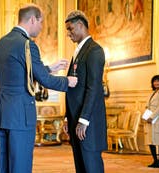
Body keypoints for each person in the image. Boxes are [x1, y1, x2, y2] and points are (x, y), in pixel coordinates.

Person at [0, 4, 77, 173]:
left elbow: (20, 73)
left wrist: (49, 68)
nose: (41, 27)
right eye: (41, 22)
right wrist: (67, 81)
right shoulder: (27, 44)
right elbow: (45, 80)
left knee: (4, 164)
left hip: (3, 112)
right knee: (20, 165)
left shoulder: (2, 43)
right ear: (33, 19)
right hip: (21, 115)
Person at [63, 10, 107, 173]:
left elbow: (94, 88)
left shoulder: (94, 50)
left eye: (70, 29)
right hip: (77, 119)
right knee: (81, 165)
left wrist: (84, 120)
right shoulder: (79, 51)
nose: (69, 33)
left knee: (91, 166)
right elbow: (72, 89)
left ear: (80, 25)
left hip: (88, 122)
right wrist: (68, 117)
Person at [144, 75, 159, 168]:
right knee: (151, 140)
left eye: (158, 81)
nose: (156, 83)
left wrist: (152, 116)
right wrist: (146, 117)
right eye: (154, 81)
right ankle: (155, 160)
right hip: (150, 119)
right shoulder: (152, 93)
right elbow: (148, 106)